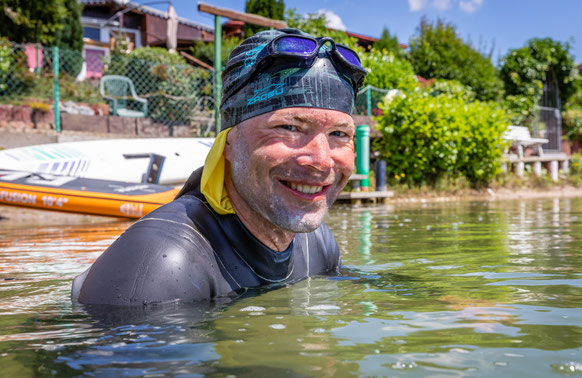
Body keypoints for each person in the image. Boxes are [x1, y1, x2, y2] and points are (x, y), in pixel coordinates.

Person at [72, 28, 367, 306]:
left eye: (339, 134)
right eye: (288, 127)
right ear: (227, 142)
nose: (321, 159)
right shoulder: (159, 265)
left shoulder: (315, 241)